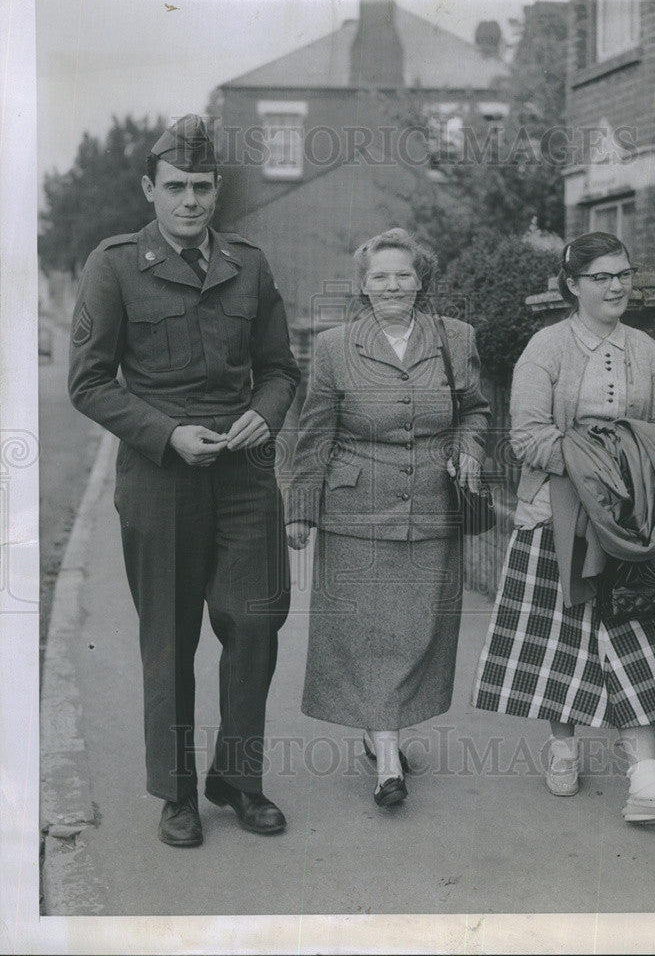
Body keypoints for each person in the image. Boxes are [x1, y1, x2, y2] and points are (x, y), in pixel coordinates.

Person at [68, 115, 300, 847]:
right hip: (160, 477)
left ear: (216, 191)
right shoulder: (112, 265)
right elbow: (89, 381)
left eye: (202, 187)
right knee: (169, 638)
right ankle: (175, 795)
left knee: (256, 622)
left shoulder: (248, 264)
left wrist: (265, 414)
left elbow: (280, 370)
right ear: (150, 190)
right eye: (176, 188)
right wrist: (166, 433)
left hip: (243, 476)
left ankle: (236, 779)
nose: (190, 200)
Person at [472, 231, 655, 825]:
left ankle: (646, 782)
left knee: (636, 633)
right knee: (563, 642)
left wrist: (625, 462)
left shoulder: (645, 351)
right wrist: (598, 459)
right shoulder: (545, 349)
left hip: (628, 523)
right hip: (556, 517)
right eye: (600, 277)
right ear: (571, 286)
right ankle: (564, 747)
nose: (616, 286)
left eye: (622, 273)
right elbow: (525, 436)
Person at [285, 227, 490, 807]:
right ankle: (389, 761)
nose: (392, 285)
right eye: (380, 276)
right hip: (355, 513)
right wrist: (300, 509)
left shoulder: (455, 338)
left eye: (403, 274)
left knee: (415, 635)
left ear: (420, 281)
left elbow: (474, 410)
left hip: (431, 509)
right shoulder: (333, 347)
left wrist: (472, 448)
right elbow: (314, 432)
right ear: (363, 285)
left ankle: (383, 738)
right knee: (366, 636)